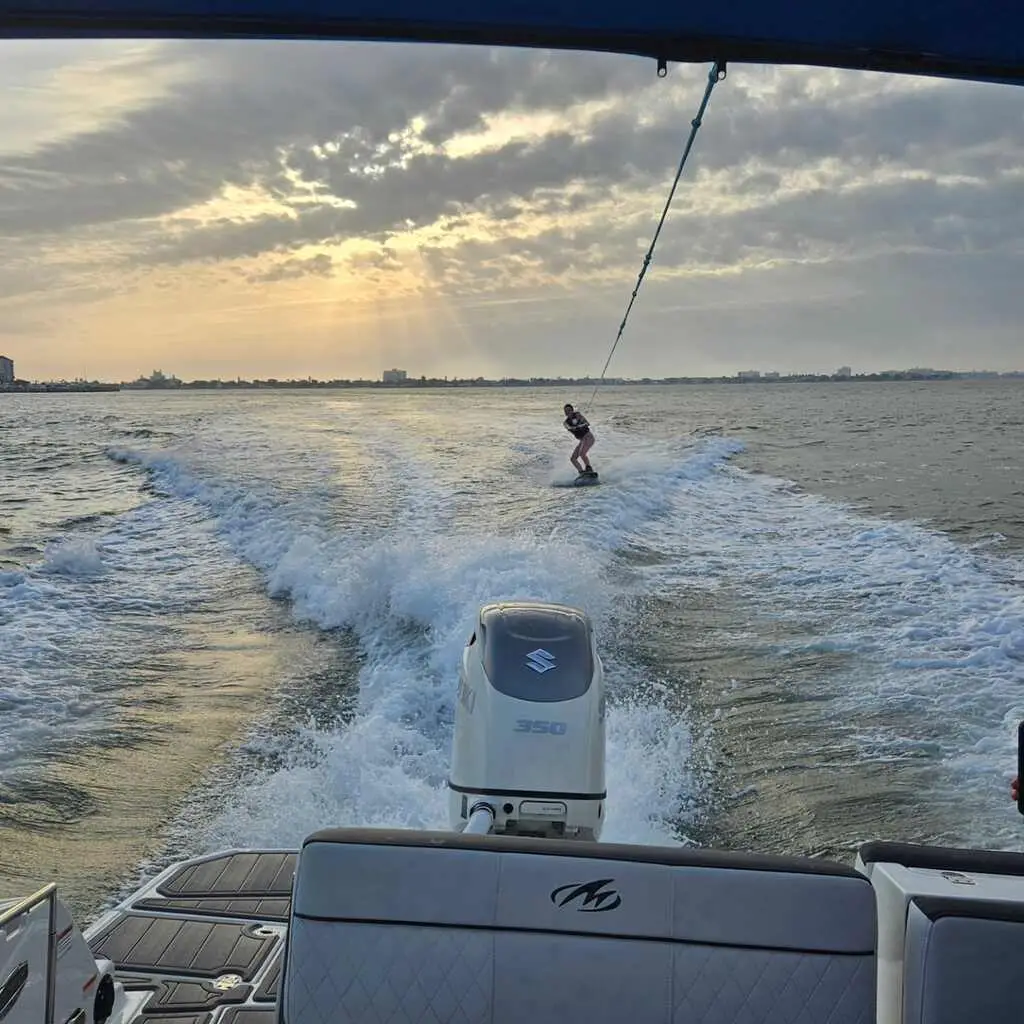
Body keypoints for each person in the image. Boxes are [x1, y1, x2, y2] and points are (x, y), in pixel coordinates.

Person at [563, 403, 596, 477]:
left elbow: (587, 423)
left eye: (569, 410)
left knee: (582, 453)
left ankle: (589, 468)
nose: (567, 412)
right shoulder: (565, 422)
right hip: (582, 440)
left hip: (588, 437)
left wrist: (580, 425)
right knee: (573, 458)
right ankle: (581, 472)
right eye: (565, 411)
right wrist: (572, 428)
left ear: (572, 410)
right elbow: (568, 427)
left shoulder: (578, 415)